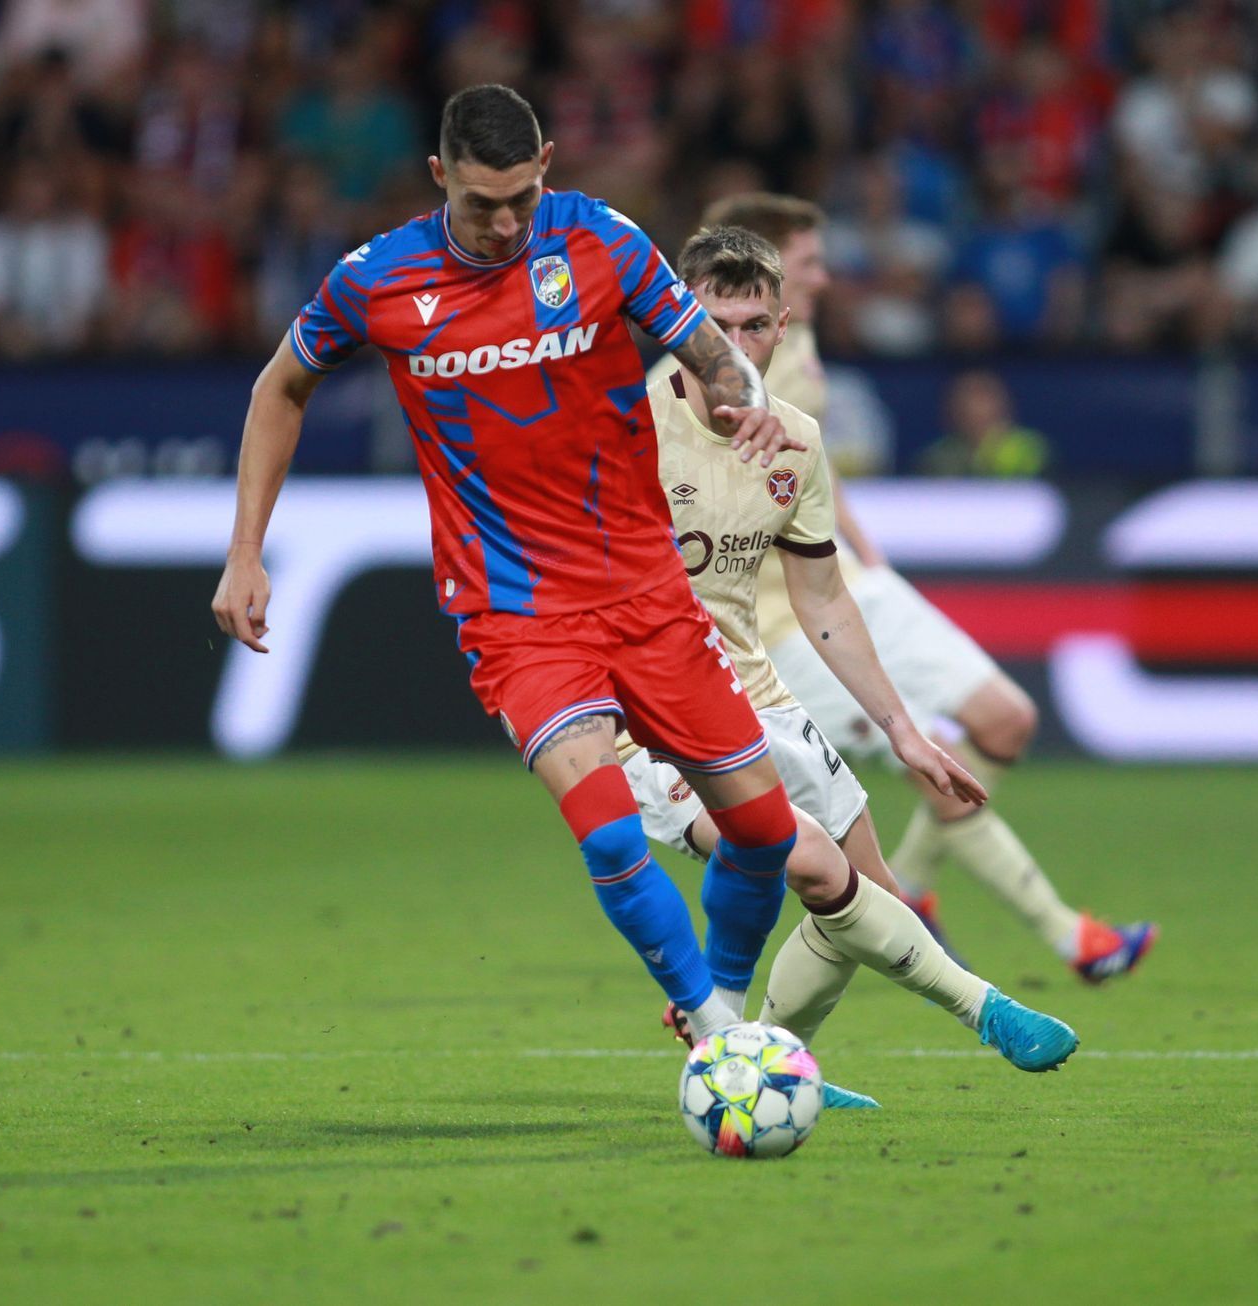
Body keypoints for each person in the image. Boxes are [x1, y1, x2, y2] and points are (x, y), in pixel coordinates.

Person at [210, 86, 962, 1048]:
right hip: (515, 610)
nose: (506, 220)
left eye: (524, 195)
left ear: (549, 166)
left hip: (647, 593)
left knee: (768, 839)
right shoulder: (377, 281)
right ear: (439, 177)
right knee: (607, 830)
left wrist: (746, 401)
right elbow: (282, 386)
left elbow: (703, 347)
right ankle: (717, 1036)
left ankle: (721, 1011)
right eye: (482, 203)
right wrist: (245, 552)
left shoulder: (600, 240)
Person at [625, 226, 1078, 1089]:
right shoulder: (628, 430)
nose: (732, 345)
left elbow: (824, 599)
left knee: (863, 902)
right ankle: (987, 1008)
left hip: (756, 695)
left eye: (754, 324)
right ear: (676, 320)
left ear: (784, 324)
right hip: (645, 715)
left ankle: (762, 1054)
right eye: (711, 323)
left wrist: (903, 730)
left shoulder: (793, 438)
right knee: (809, 863)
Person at [691, 192, 1157, 984]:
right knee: (928, 762)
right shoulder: (728, 377)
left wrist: (863, 552)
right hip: (787, 627)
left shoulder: (793, 351)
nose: (827, 276)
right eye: (808, 261)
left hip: (847, 586)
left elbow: (808, 474)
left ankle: (937, 891)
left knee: (999, 722)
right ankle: (1066, 934)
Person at [917, 370, 1050, 478]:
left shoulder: (1031, 450)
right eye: (966, 396)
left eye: (984, 396)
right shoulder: (936, 458)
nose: (974, 406)